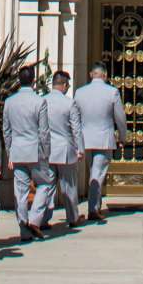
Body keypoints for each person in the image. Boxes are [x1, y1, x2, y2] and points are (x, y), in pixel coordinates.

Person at [72, 62, 128, 222]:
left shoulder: (79, 92)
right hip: (103, 137)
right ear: (105, 75)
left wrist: (76, 138)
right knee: (97, 173)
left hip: (84, 138)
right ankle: (93, 208)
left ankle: (94, 205)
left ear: (91, 75)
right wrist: (122, 136)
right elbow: (120, 118)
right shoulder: (112, 92)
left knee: (93, 171)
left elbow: (74, 117)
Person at [1, 65, 50, 242]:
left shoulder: (9, 102)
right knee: (46, 184)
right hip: (35, 150)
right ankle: (34, 219)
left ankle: (23, 228)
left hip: (18, 151)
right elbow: (43, 131)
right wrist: (46, 152)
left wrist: (10, 152)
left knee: (20, 192)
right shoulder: (39, 101)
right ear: (33, 80)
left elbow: (6, 130)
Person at [33, 67, 84, 233]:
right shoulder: (69, 103)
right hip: (64, 150)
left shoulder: (42, 101)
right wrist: (80, 148)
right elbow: (76, 129)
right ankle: (72, 217)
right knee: (69, 186)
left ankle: (41, 219)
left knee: (47, 187)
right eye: (67, 85)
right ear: (62, 85)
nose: (68, 87)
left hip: (47, 150)